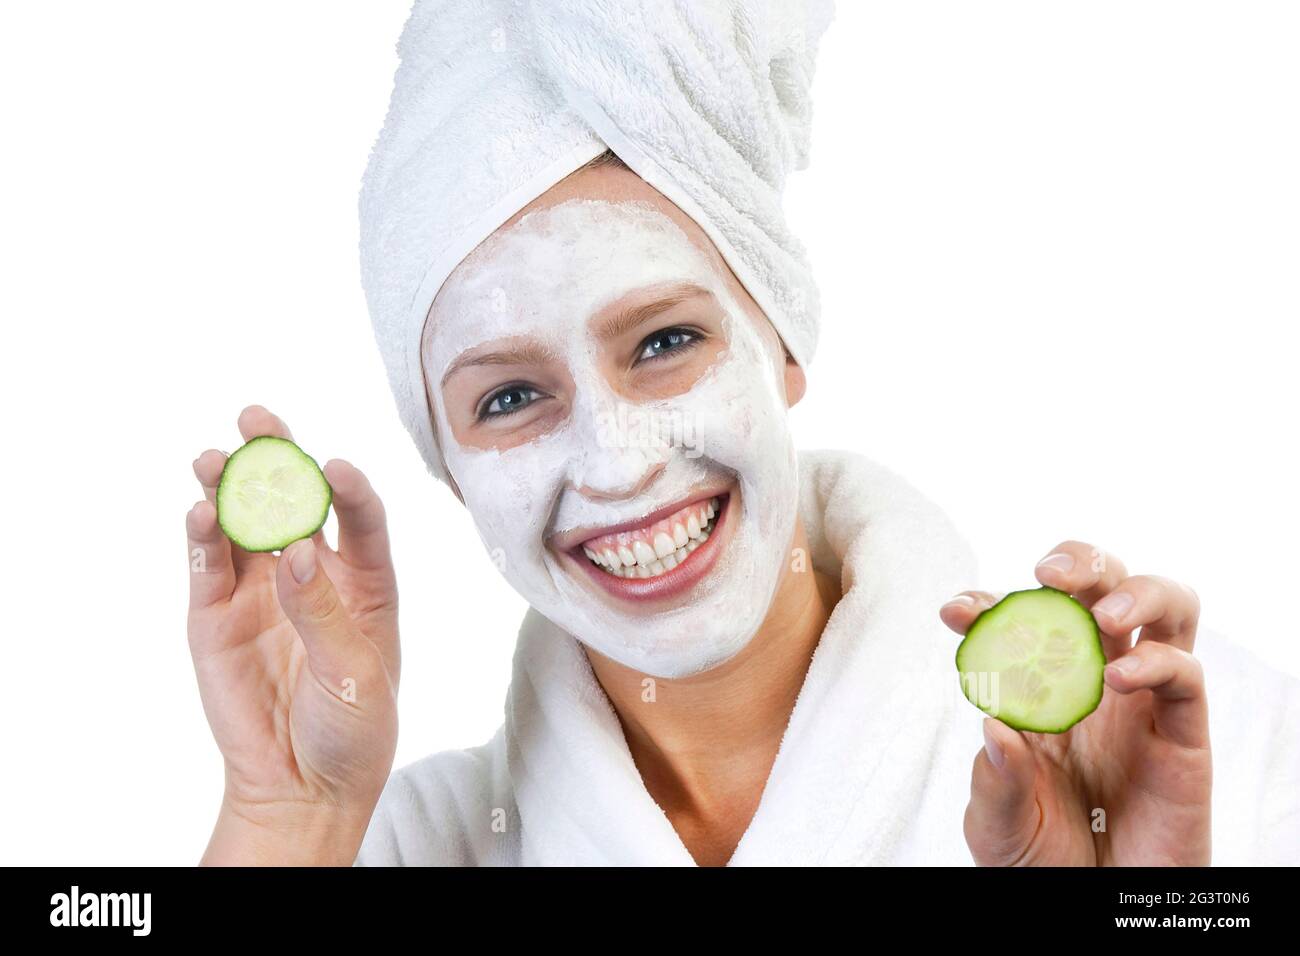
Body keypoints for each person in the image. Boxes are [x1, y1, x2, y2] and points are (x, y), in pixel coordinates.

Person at [184, 0, 1300, 866]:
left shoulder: (1188, 749)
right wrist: (286, 813)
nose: (617, 460)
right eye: (509, 398)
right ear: (451, 472)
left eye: (665, 340)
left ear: (784, 342)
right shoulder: (389, 848)